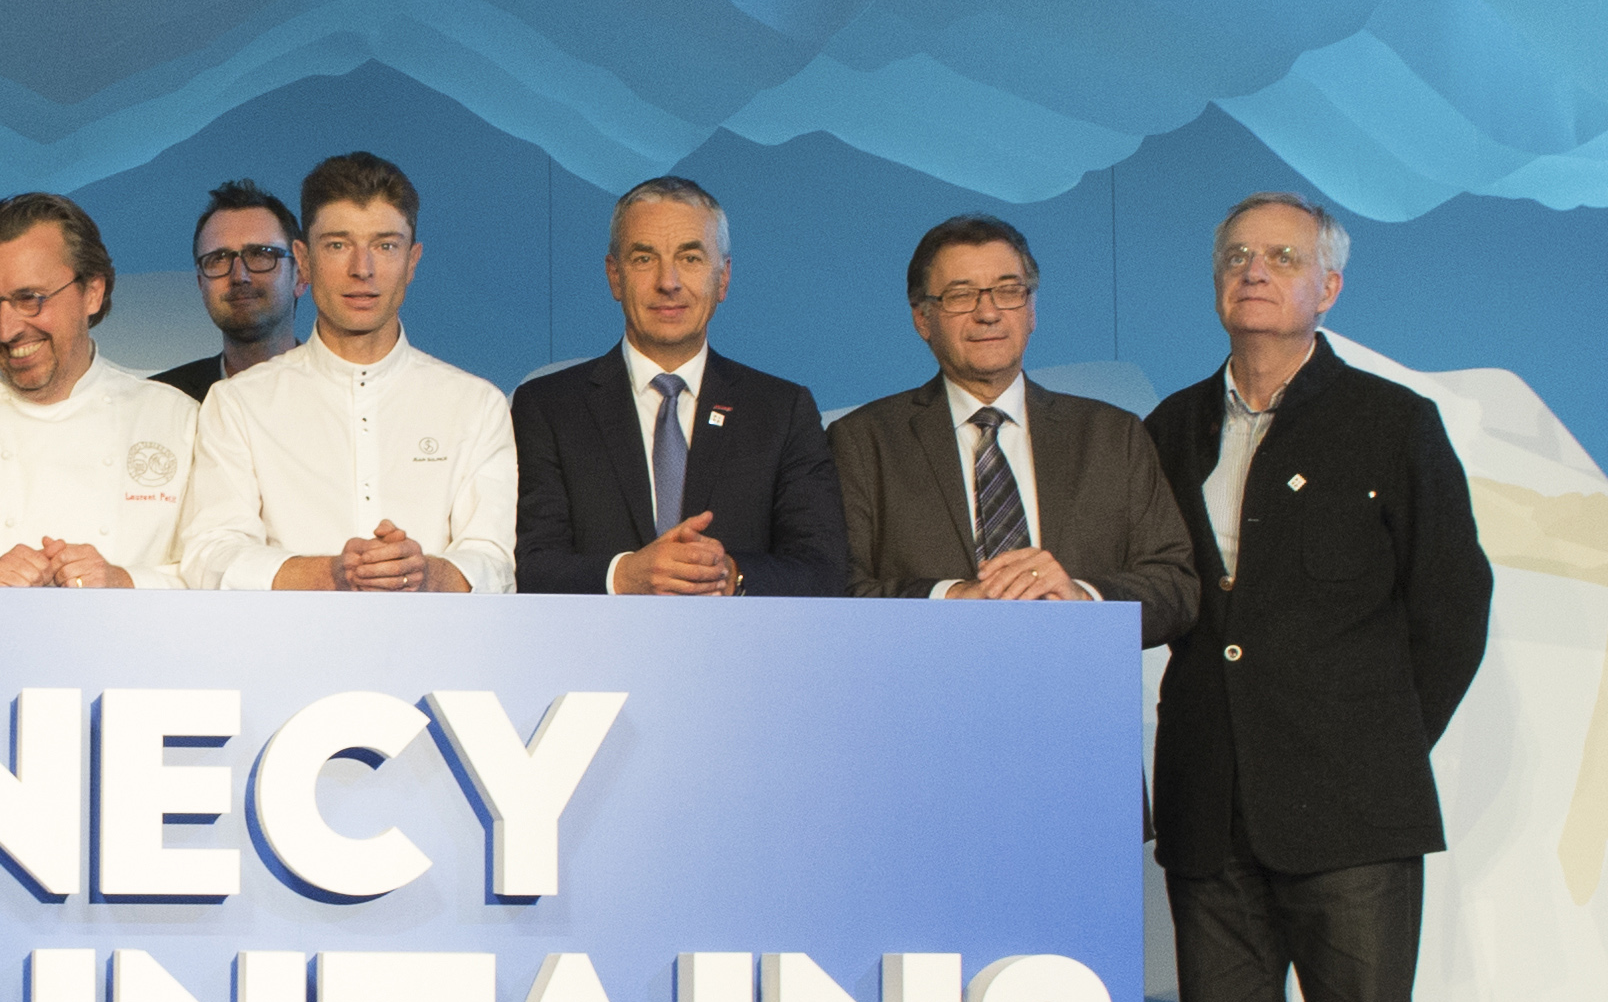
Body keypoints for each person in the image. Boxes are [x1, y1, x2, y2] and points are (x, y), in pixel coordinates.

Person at [1142, 193, 1491, 1002]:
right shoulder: (1170, 425)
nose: (1254, 273)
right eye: (1235, 255)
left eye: (1281, 259)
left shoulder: (1393, 425)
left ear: (1326, 288)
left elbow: (1450, 608)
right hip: (1206, 805)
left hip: (1351, 812)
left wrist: (1377, 744)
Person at [831, 217, 1198, 637]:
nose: (988, 313)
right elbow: (836, 589)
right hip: (925, 690)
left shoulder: (1113, 436)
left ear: (1031, 310)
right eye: (961, 295)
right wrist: (953, 598)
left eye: (1008, 292)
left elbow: (1176, 588)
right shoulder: (863, 442)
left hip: (1080, 692)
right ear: (922, 318)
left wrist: (1081, 598)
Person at [172, 151, 514, 594]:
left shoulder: (476, 404)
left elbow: (495, 562)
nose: (362, 269)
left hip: (434, 655)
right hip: (283, 656)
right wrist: (331, 574)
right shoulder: (237, 403)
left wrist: (429, 573)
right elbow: (211, 555)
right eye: (338, 245)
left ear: (412, 261)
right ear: (304, 260)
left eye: (385, 245)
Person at [510, 178, 846, 597]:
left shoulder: (781, 411)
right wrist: (625, 575)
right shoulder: (548, 408)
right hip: (595, 655)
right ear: (615, 276)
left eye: (690, 258)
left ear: (722, 279)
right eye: (644, 258)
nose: (668, 281)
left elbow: (823, 569)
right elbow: (530, 564)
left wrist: (732, 575)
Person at [0, 193, 200, 587]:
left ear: (93, 292)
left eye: (30, 299)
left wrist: (122, 582)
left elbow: (212, 577)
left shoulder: (177, 420)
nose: (6, 329)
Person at [155, 181, 308, 402]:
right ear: (200, 282)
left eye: (260, 254)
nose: (239, 276)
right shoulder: (160, 402)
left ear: (301, 274)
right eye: (218, 259)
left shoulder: (348, 398)